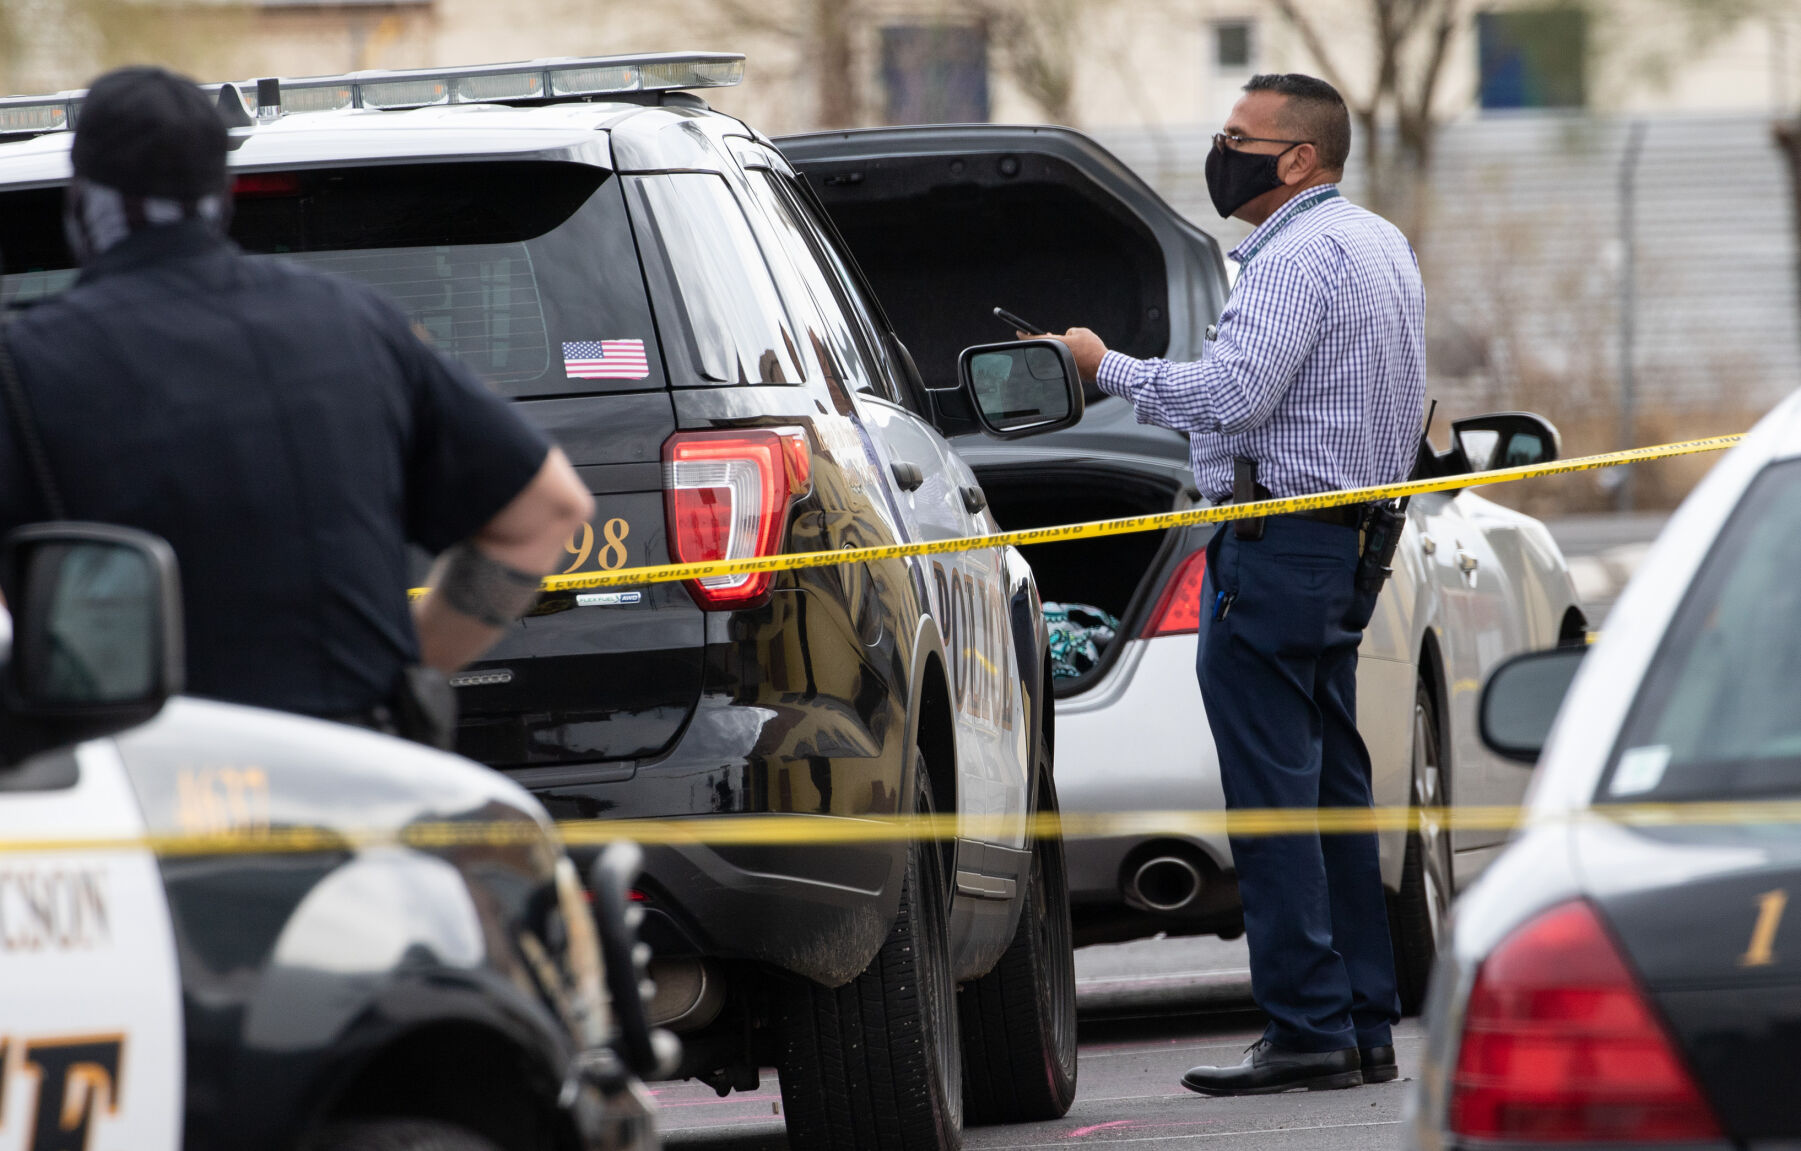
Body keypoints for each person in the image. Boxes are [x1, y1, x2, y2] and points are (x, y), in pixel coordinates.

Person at [0, 66, 593, 742]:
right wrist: (405, 672)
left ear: (82, 203)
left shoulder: (22, 367)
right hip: (348, 774)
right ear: (220, 196)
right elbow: (549, 508)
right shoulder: (356, 322)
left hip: (141, 790)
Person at [1036, 73, 1424, 1094]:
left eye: (1238, 136)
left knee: (1270, 797)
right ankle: (1362, 1021)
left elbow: (1232, 396)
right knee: (1334, 789)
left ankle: (1304, 1024)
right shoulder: (1378, 242)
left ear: (1295, 158)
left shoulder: (1294, 256)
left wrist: (1099, 364)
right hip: (1346, 546)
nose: (1221, 150)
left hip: (1277, 544)